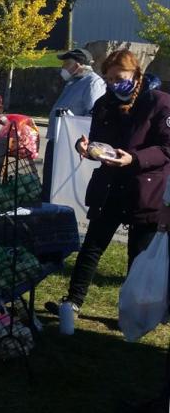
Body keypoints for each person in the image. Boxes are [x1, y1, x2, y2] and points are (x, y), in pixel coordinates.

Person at [46, 50, 170, 319]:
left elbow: (166, 148)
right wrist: (88, 148)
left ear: (135, 73)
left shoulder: (160, 103)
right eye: (109, 79)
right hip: (110, 186)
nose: (114, 84)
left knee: (138, 255)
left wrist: (134, 159)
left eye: (119, 78)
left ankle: (133, 311)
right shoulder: (104, 103)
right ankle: (73, 301)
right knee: (92, 245)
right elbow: (98, 140)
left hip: (144, 188)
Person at [42, 48, 106, 200]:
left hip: (71, 143)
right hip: (58, 140)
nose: (63, 66)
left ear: (78, 65)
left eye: (66, 63)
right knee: (49, 184)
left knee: (58, 185)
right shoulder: (73, 82)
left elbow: (93, 114)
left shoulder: (93, 83)